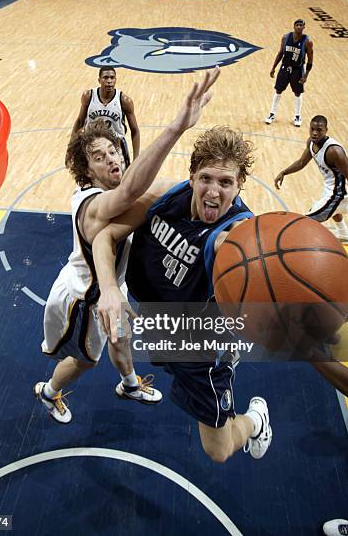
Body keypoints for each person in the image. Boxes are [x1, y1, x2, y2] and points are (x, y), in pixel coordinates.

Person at [34, 68, 220, 423]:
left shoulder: (117, 193)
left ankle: (130, 384)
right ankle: (48, 392)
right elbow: (132, 193)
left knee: (122, 336)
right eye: (99, 157)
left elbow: (159, 189)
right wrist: (177, 127)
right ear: (86, 172)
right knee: (84, 362)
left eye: (114, 150)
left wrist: (205, 185)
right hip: (84, 298)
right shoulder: (90, 203)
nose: (113, 158)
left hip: (111, 286)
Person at [93, 127, 273, 463]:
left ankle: (256, 420)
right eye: (206, 178)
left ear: (239, 187)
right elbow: (104, 237)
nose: (214, 191)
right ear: (191, 177)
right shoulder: (165, 196)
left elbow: (267, 265)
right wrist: (109, 288)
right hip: (158, 321)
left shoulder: (235, 237)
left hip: (200, 346)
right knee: (165, 363)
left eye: (226, 183)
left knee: (218, 450)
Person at [274, 115, 348, 244]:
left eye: (319, 130)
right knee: (332, 210)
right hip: (331, 187)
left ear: (326, 130)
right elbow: (302, 162)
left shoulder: (334, 151)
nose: (314, 133)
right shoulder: (311, 142)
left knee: (306, 220)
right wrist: (284, 172)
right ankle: (343, 234)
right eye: (312, 129)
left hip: (341, 192)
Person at [72, 67, 139, 167]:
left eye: (112, 78)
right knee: (89, 180)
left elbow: (135, 131)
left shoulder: (124, 101)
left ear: (116, 79)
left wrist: (136, 158)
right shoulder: (88, 96)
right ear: (99, 80)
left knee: (120, 181)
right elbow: (80, 122)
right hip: (92, 146)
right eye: (105, 78)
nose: (109, 81)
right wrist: (72, 149)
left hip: (116, 148)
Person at [265, 19, 313, 128]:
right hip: (284, 67)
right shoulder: (286, 37)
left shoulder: (307, 41)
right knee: (278, 90)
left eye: (301, 25)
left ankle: (297, 116)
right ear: (294, 26)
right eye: (297, 25)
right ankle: (272, 114)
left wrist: (306, 76)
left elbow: (310, 60)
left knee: (297, 92)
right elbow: (280, 53)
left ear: (304, 27)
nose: (299, 27)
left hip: (298, 69)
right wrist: (273, 68)